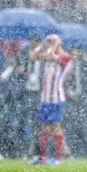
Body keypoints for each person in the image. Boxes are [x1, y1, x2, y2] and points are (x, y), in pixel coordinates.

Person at [29, 35, 73, 165]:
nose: (49, 44)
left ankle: (58, 158)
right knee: (44, 129)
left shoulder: (65, 56)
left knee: (56, 128)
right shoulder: (47, 54)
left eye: (52, 42)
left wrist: (52, 46)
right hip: (45, 98)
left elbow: (55, 57)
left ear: (59, 43)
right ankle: (43, 158)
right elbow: (33, 57)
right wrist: (42, 45)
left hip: (56, 98)